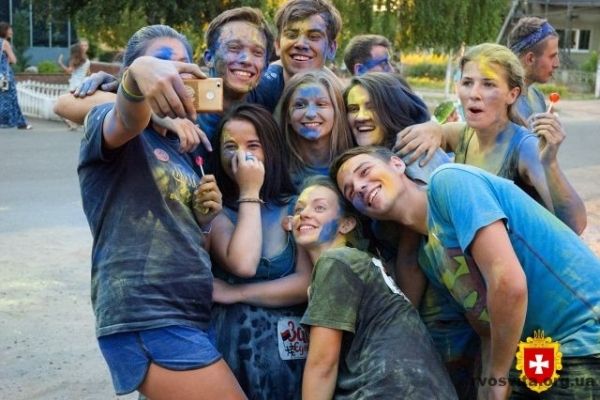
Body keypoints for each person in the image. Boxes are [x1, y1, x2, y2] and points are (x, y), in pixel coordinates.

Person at [333, 146, 600, 400]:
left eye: (364, 171)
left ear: (397, 164)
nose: (360, 187)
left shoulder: (449, 182)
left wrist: (497, 376)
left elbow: (507, 283)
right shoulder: (429, 254)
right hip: (538, 358)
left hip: (585, 337)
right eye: (350, 191)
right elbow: (486, 327)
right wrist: (488, 384)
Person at [77, 24, 247, 399]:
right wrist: (137, 76)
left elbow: (179, 234)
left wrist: (203, 220)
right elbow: (126, 117)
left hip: (187, 312)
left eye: (182, 64)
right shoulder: (113, 126)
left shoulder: (186, 148)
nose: (173, 73)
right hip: (147, 313)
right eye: (162, 63)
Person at [294, 175, 458, 400]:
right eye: (298, 209)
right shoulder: (361, 262)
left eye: (319, 207)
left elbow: (322, 364)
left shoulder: (337, 261)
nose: (303, 214)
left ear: (346, 224)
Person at [394, 43, 586, 234]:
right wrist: (433, 128)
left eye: (488, 84)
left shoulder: (525, 148)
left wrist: (550, 164)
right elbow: (440, 133)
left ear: (512, 94)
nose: (474, 94)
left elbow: (576, 225)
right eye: (467, 83)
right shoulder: (462, 135)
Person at [56, 7, 273, 163]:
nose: (246, 59)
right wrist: (150, 109)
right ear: (208, 58)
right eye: (234, 48)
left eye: (257, 52)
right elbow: (64, 104)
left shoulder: (268, 94)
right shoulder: (170, 98)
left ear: (265, 64)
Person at [208, 103, 310, 399]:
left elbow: (306, 283)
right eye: (230, 147)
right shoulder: (215, 210)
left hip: (285, 354)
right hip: (231, 350)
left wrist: (236, 293)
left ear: (271, 149)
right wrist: (249, 192)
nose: (241, 156)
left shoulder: (296, 206)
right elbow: (244, 264)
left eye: (253, 145)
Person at [247, 0, 342, 112]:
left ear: (331, 48)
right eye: (291, 35)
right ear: (277, 45)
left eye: (313, 36)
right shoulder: (257, 91)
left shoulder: (344, 101)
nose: (301, 44)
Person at [277, 68, 353, 188]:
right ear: (287, 116)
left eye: (321, 104)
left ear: (337, 111)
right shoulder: (275, 167)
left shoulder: (356, 162)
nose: (311, 114)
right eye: (300, 105)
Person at [507, 17, 560, 119]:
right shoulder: (502, 101)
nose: (557, 64)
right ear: (530, 59)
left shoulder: (537, 96)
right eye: (552, 56)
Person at [0, 22, 31, 130]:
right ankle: (17, 122)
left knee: (3, 97)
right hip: (5, 76)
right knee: (11, 98)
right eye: (10, 30)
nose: (11, 32)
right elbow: (14, 60)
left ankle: (20, 122)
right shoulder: (5, 43)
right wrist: (8, 59)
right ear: (4, 31)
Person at [58, 39, 91, 129]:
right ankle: (73, 122)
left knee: (62, 103)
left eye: (85, 45)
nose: (84, 47)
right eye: (82, 45)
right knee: (77, 104)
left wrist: (60, 63)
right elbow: (88, 72)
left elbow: (69, 71)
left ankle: (70, 121)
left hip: (74, 84)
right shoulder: (85, 59)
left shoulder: (75, 59)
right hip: (82, 84)